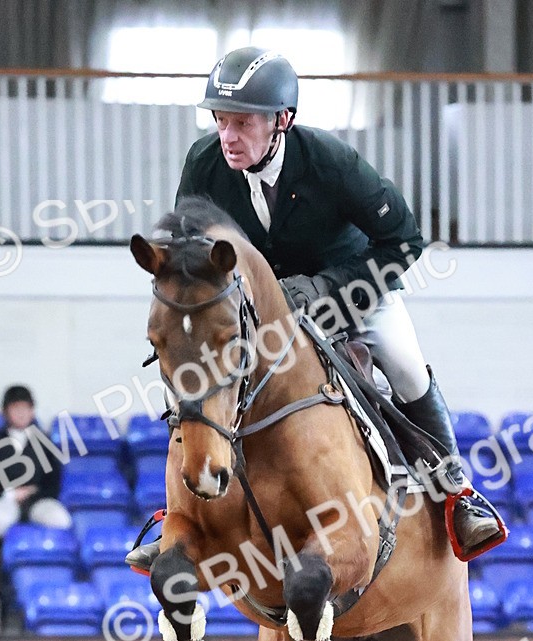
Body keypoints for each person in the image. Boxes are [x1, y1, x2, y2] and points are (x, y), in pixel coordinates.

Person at [130, 46, 505, 570]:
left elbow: (404, 240)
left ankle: (457, 493)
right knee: (204, 374)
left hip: (351, 292)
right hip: (260, 306)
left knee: (404, 364)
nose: (228, 136)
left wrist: (325, 287)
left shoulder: (329, 161)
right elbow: (193, 251)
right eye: (220, 120)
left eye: (242, 123)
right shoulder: (206, 162)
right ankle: (178, 516)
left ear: (282, 120)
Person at [0, 385, 73, 540]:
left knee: (60, 520)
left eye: (25, 408)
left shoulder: (44, 441)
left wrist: (32, 493)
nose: (21, 414)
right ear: (5, 412)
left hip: (38, 500)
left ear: (32, 411)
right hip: (3, 500)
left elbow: (54, 482)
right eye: (15, 408)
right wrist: (11, 494)